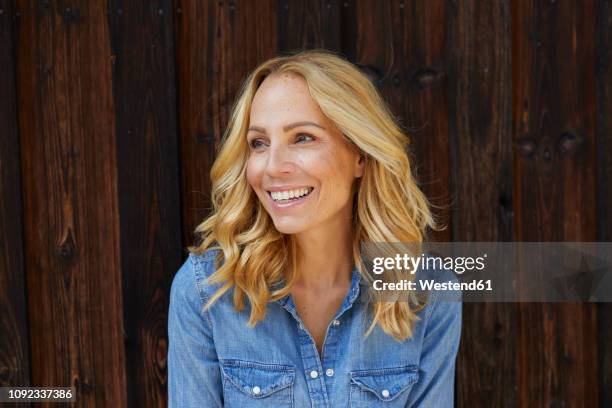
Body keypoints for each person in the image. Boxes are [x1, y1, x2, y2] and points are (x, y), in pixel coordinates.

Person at [167, 50, 461, 407]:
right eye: (259, 143)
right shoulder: (206, 293)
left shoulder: (428, 293)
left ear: (360, 156)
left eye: (302, 138)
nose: (273, 167)